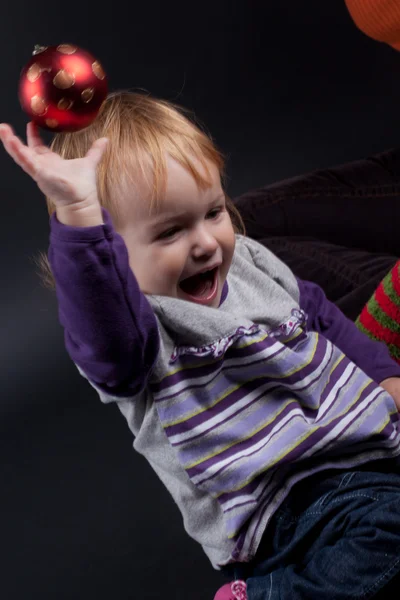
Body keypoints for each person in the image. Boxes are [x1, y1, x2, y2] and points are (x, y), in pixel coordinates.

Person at [2, 92, 400, 600]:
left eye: (212, 212)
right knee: (391, 531)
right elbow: (101, 326)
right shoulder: (140, 333)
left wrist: (384, 374)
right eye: (170, 232)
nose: (207, 242)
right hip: (290, 507)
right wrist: (80, 214)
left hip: (368, 455)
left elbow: (319, 314)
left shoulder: (249, 261)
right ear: (114, 260)